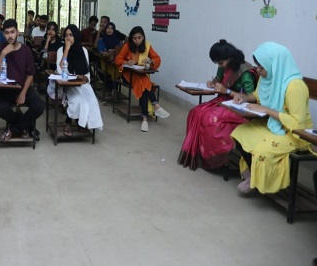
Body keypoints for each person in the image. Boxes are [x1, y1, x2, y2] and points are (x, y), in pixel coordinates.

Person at [231, 42, 313, 194]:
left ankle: (260, 180)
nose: (258, 70)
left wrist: (267, 110)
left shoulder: (295, 86)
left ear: (275, 65)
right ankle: (254, 175)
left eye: (261, 66)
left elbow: (297, 123)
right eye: (258, 66)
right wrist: (243, 98)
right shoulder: (269, 77)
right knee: (240, 133)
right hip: (274, 124)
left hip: (295, 133)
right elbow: (257, 95)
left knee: (261, 150)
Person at [177, 40, 258, 170]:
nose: (219, 66)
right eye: (217, 64)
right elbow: (218, 79)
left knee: (210, 119)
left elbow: (251, 98)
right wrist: (212, 82)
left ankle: (214, 158)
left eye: (220, 63)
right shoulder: (223, 65)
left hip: (238, 107)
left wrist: (227, 91)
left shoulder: (245, 72)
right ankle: (197, 154)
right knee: (195, 112)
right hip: (222, 100)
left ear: (229, 58)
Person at [0, 19, 45, 141]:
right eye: (6, 33)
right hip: (4, 89)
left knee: (39, 106)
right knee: (1, 110)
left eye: (12, 32)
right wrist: (3, 53)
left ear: (17, 32)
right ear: (3, 34)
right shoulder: (0, 48)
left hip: (23, 87)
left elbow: (30, 75)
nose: (10, 36)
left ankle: (13, 129)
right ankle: (27, 126)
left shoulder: (26, 50)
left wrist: (23, 93)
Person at [115, 26, 170, 132]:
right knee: (143, 82)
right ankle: (156, 105)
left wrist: (151, 61)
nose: (137, 41)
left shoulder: (147, 46)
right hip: (128, 75)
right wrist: (126, 62)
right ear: (131, 38)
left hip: (140, 74)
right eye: (134, 38)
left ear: (143, 37)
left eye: (139, 38)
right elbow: (118, 59)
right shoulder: (127, 46)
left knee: (143, 87)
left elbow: (157, 58)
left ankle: (145, 119)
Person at [56, 24, 103, 136]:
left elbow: (87, 73)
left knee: (91, 100)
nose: (68, 38)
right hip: (67, 85)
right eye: (66, 35)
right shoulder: (61, 50)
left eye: (71, 35)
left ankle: (81, 123)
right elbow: (60, 70)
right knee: (77, 100)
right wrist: (66, 50)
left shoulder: (83, 51)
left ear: (76, 36)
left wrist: (84, 78)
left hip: (81, 84)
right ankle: (69, 123)